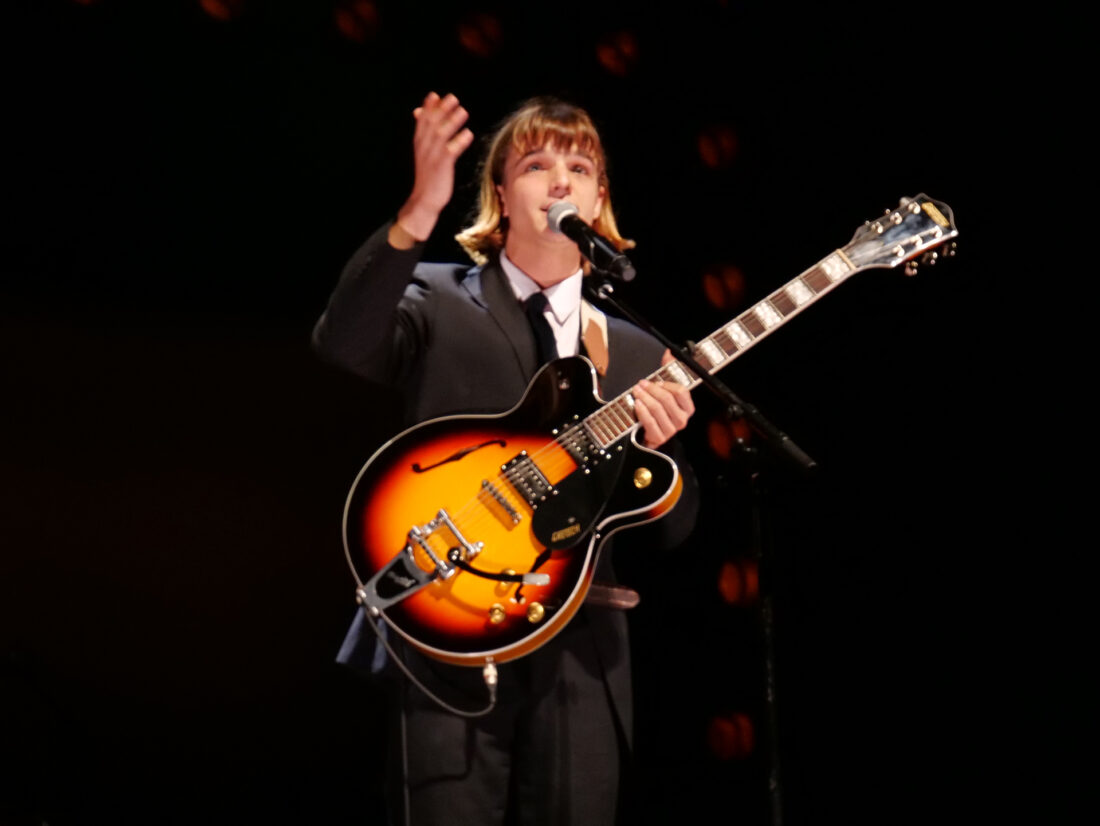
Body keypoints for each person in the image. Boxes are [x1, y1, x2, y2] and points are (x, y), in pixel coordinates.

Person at [312, 91, 699, 825]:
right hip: (447, 626)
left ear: (600, 197)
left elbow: (676, 531)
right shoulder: (434, 297)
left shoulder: (641, 351)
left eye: (580, 167)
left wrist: (664, 448)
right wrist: (419, 211)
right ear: (499, 193)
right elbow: (343, 343)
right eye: (536, 165)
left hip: (585, 648)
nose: (561, 181)